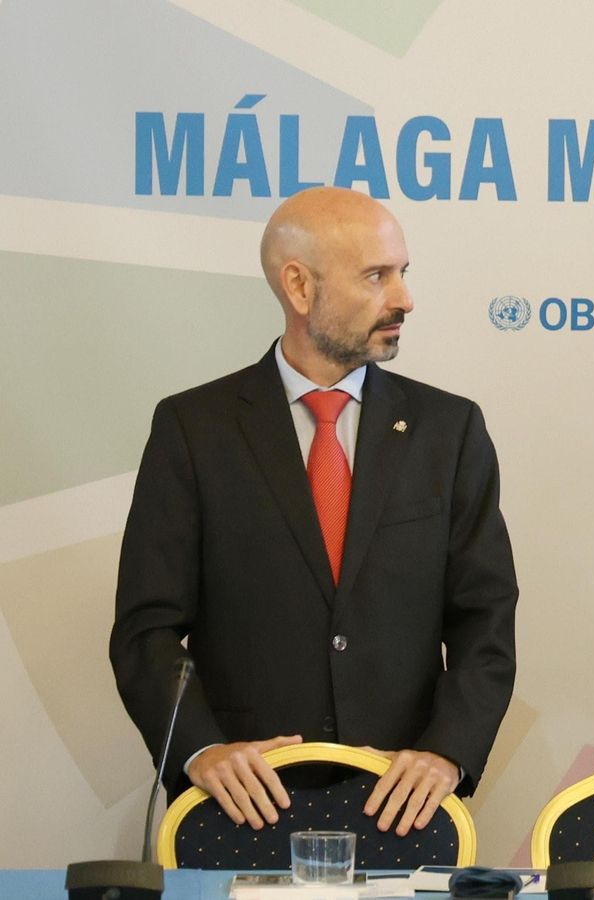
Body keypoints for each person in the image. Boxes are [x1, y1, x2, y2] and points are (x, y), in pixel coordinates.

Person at [110, 187, 519, 838]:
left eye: (402, 273)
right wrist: (200, 748)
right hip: (244, 809)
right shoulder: (195, 428)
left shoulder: (450, 430)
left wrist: (447, 751)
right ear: (299, 288)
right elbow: (146, 629)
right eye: (376, 276)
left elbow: (485, 622)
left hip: (402, 807)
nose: (404, 298)